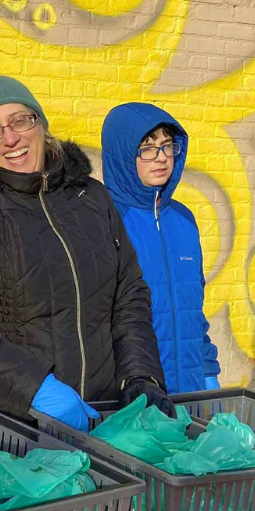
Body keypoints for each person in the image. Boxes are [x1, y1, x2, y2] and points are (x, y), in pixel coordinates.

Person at [0, 75, 169, 434]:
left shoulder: (90, 198)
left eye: (20, 120)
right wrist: (35, 387)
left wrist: (140, 376)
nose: (10, 139)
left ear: (41, 124)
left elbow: (128, 295)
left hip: (99, 420)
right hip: (0, 428)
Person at [100, 103, 221, 394]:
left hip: (190, 388)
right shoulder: (106, 219)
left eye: (167, 146)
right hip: (135, 394)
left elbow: (193, 309)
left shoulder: (183, 219)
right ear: (122, 153)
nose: (162, 157)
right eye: (147, 148)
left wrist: (207, 371)